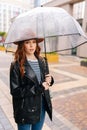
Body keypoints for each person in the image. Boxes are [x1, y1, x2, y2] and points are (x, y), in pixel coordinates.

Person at [10, 37, 54, 130]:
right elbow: (15, 91)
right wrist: (39, 88)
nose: (31, 45)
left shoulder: (42, 61)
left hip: (41, 105)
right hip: (25, 108)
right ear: (22, 45)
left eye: (34, 42)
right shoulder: (16, 65)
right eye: (27, 42)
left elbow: (44, 81)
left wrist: (50, 80)